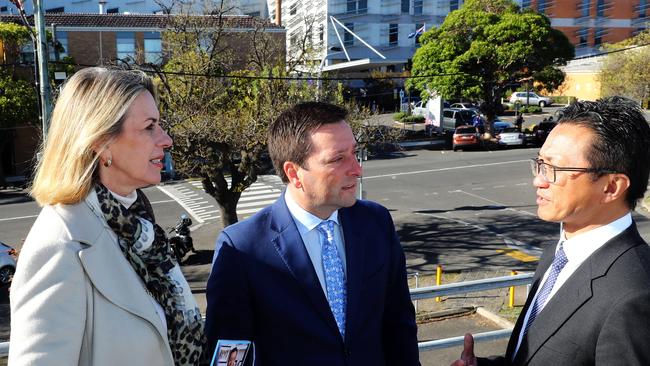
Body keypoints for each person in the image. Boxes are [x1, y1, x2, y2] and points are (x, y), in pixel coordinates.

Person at [9, 67, 205, 365]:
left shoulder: (139, 230)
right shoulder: (60, 246)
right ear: (101, 142)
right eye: (149, 126)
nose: (166, 140)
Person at [205, 102, 419, 366]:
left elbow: (399, 322)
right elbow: (230, 355)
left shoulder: (376, 222)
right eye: (337, 159)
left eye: (354, 153)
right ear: (294, 173)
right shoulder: (241, 249)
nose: (356, 169)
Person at [452, 96, 650, 366]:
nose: (538, 180)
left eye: (554, 169)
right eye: (540, 164)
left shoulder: (634, 295)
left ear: (612, 187)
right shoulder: (557, 255)